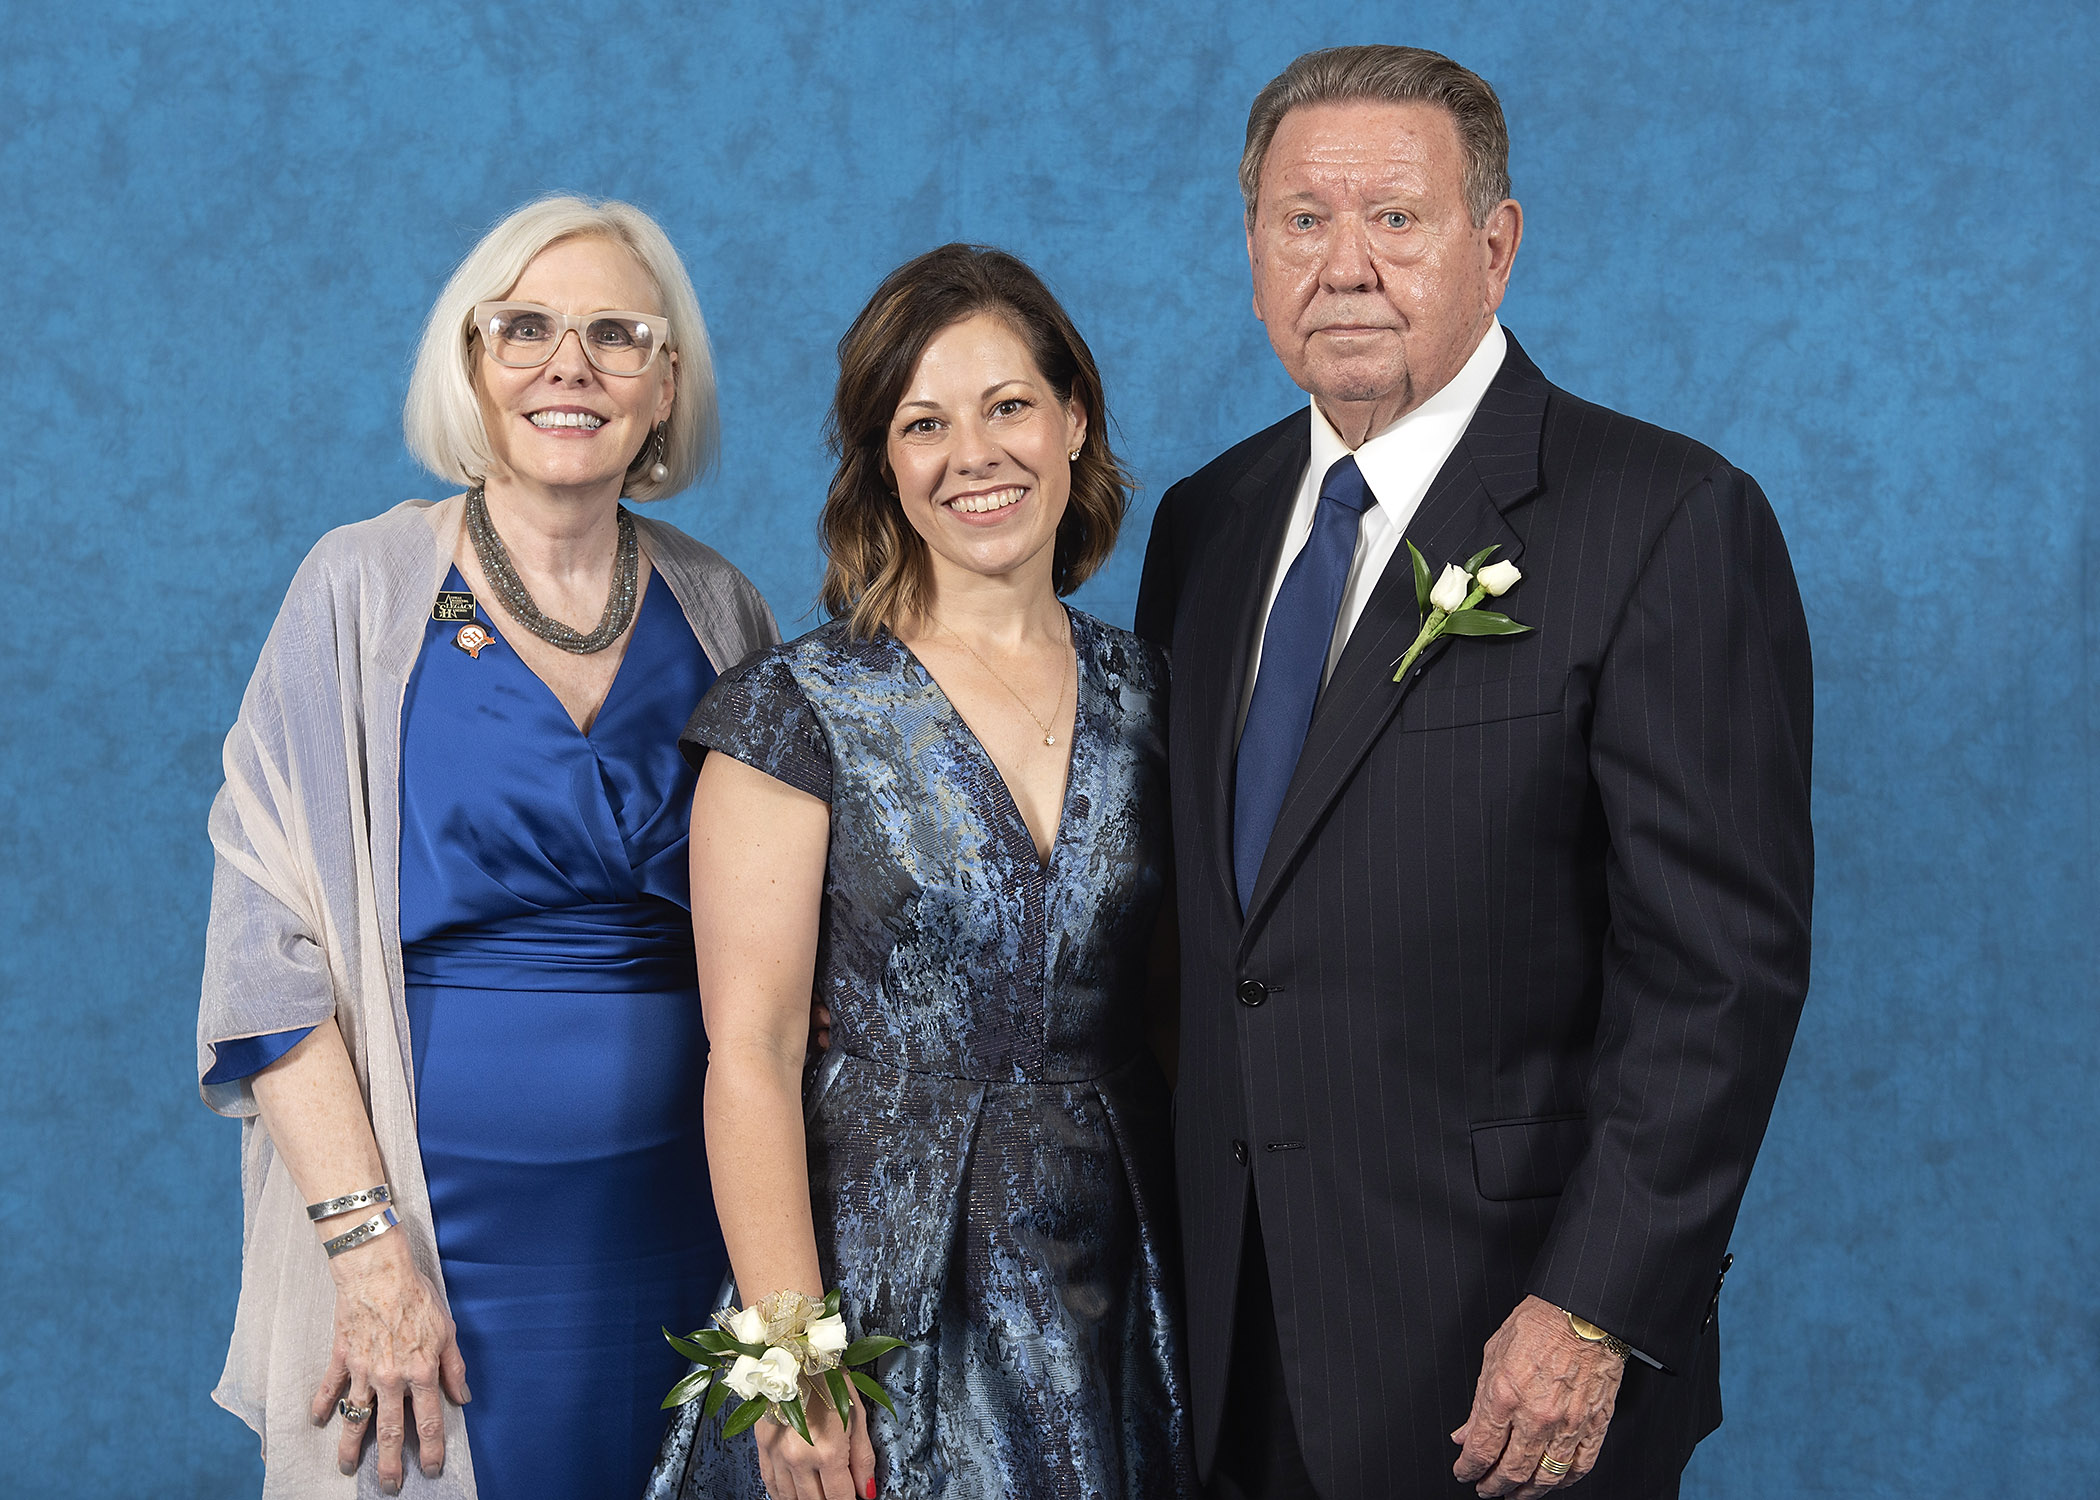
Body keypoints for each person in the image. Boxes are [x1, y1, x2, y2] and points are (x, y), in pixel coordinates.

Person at [1133, 46, 1814, 1500]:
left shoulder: (1665, 519)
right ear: (1252, 252)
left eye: (1396, 217)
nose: (1345, 266)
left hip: (1503, 1343)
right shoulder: (1206, 524)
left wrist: (1594, 1306)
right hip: (1228, 1334)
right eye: (1302, 220)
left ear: (1494, 247)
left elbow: (1720, 976)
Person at [197, 195, 777, 1498]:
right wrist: (365, 1248)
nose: (570, 367)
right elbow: (263, 954)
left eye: (616, 335)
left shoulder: (724, 609)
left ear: (666, 384)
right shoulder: (359, 590)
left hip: (686, 1229)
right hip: (430, 1230)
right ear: (470, 362)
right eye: (526, 329)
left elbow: (786, 938)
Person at [649, 244, 1195, 1500]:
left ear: (1073, 420)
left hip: (1121, 1278)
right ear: (884, 463)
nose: (974, 455)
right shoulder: (794, 711)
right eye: (924, 423)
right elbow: (750, 1053)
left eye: (1008, 406)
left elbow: (1180, 1010)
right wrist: (791, 1363)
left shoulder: (1162, 696)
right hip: (879, 1280)